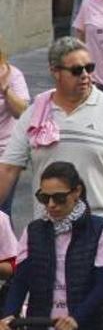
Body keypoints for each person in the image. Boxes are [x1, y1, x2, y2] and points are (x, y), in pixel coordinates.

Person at [0, 34, 103, 232]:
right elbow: (8, 169)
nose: (85, 75)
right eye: (77, 70)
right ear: (55, 72)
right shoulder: (36, 111)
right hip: (47, 229)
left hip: (101, 227)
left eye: (89, 68)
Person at [0, 162, 103, 330]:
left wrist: (76, 318)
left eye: (59, 198)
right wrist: (8, 315)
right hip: (42, 322)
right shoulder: (33, 230)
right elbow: (20, 280)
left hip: (89, 322)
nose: (51, 204)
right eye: (44, 198)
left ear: (77, 191)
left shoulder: (102, 230)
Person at [0, 39, 29, 215]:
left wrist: (5, 89)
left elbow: (23, 112)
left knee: (2, 211)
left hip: (6, 155)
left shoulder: (12, 75)